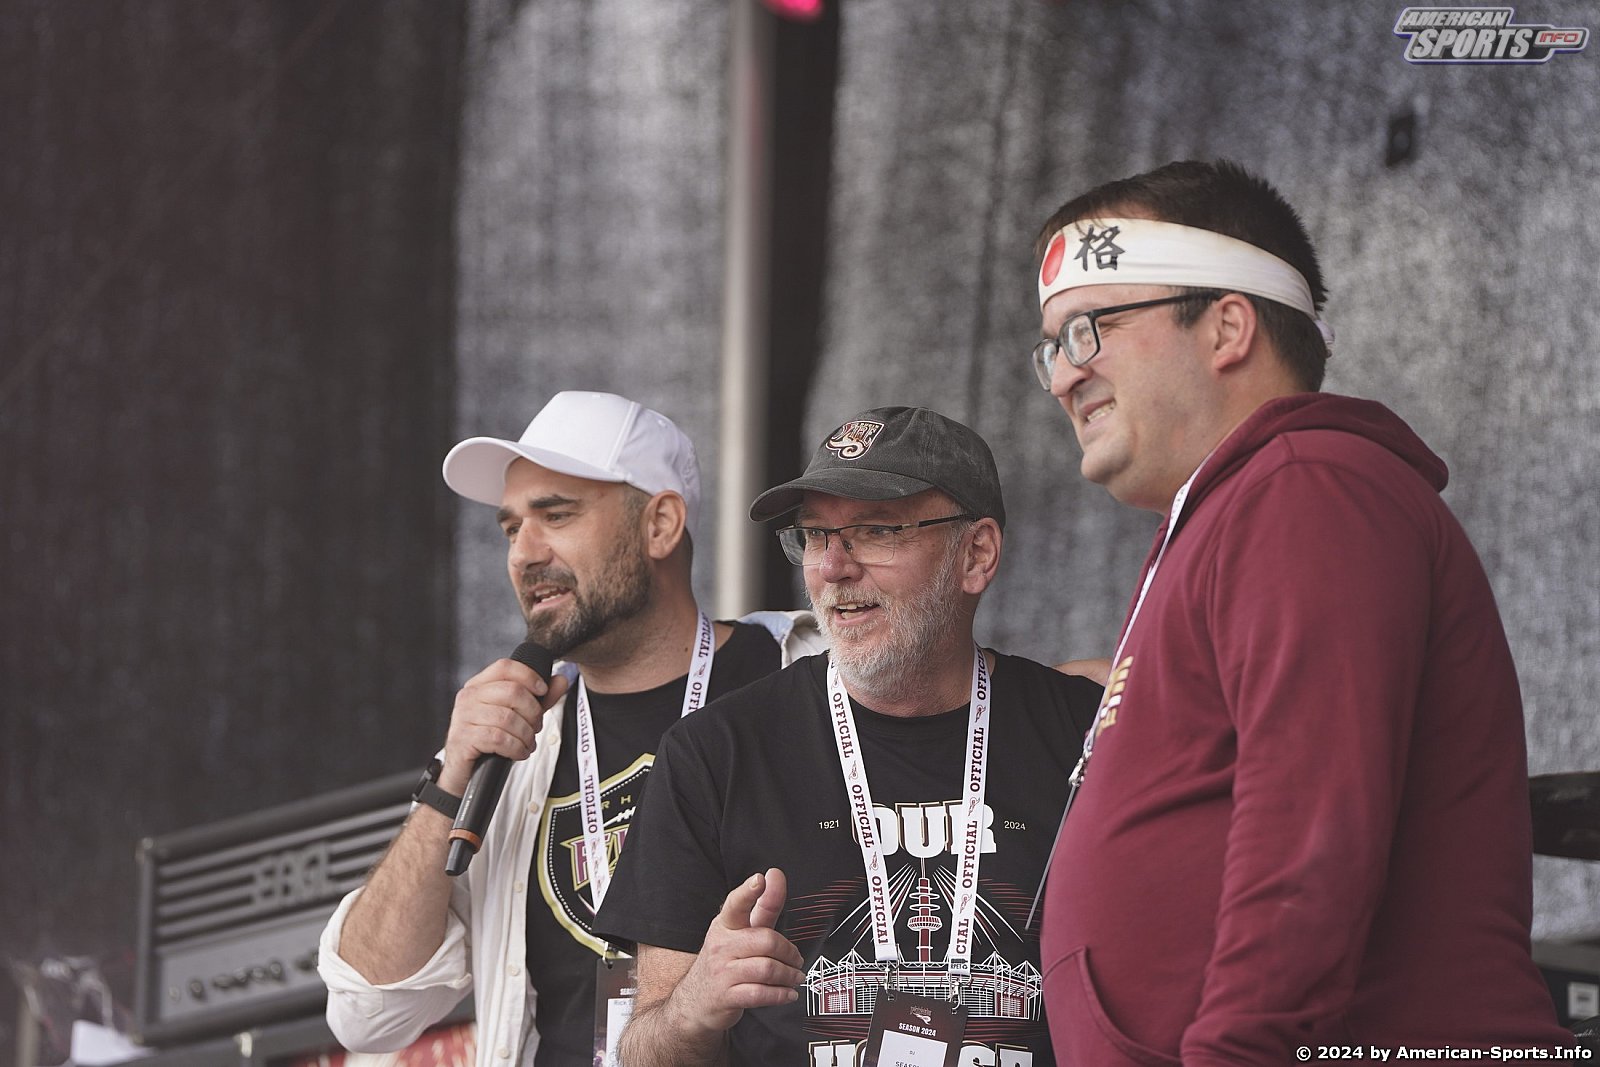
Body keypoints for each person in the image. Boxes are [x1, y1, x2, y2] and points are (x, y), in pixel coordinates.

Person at [1029, 160, 1570, 1063]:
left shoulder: (1306, 486)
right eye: (1051, 346)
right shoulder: (1241, 508)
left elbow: (1310, 831)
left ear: (1227, 327)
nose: (1062, 377)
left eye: (1092, 328)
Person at [317, 390, 826, 1067]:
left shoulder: (812, 679)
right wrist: (448, 781)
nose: (524, 553)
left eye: (555, 515)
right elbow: (366, 1013)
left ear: (661, 524)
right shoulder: (511, 746)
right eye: (510, 528)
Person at [593, 406, 1103, 1066]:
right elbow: (642, 1051)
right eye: (815, 535)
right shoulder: (715, 752)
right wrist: (694, 1005)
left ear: (976, 554)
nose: (832, 567)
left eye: (876, 530)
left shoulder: (1088, 735)